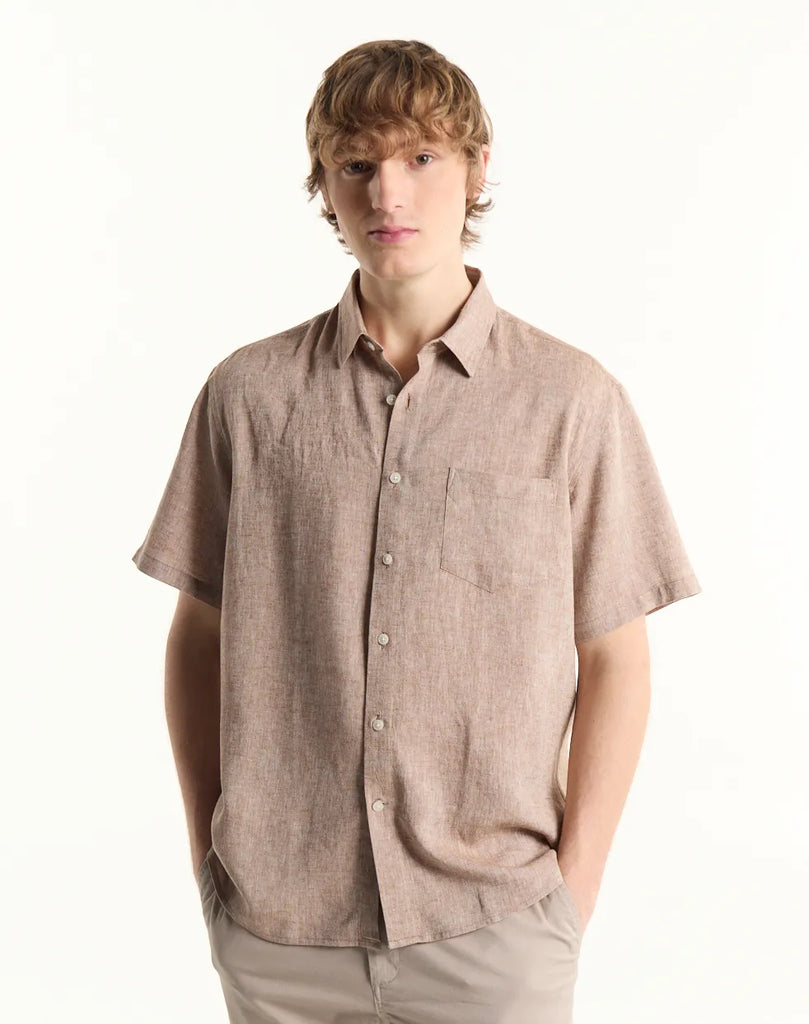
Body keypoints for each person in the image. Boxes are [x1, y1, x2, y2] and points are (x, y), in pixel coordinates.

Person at [132, 38, 701, 1024]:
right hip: (279, 932)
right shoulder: (247, 396)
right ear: (324, 183)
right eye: (356, 163)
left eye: (421, 157)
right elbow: (198, 636)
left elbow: (615, 656)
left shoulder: (570, 400)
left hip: (494, 926)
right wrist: (208, 862)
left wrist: (569, 898)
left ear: (476, 168)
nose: (386, 193)